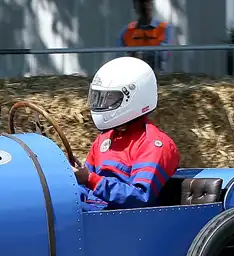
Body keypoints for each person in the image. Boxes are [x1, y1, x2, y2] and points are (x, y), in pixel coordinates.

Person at [73, 56, 180, 210]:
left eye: (110, 98)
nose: (102, 104)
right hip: (92, 212)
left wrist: (90, 179)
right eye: (100, 98)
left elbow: (140, 197)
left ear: (133, 97)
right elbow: (85, 186)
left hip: (120, 220)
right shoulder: (104, 139)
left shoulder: (153, 144)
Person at [115, 0, 175, 72]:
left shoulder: (165, 28)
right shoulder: (126, 31)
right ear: (135, 6)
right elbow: (119, 57)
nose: (145, 5)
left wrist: (138, 54)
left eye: (148, 2)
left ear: (152, 4)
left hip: (159, 76)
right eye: (141, 2)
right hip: (133, 75)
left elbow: (164, 55)